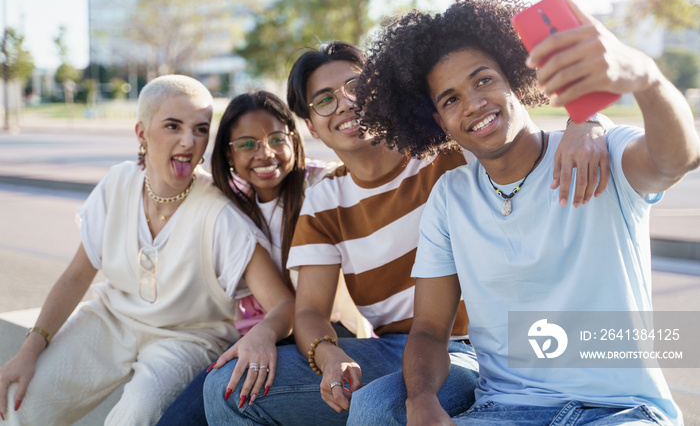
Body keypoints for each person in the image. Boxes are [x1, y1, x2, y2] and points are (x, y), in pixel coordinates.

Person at [204, 41, 612, 425]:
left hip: (475, 349)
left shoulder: (449, 154)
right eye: (324, 99)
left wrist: (588, 119)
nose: (344, 102)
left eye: (355, 86)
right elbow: (309, 310)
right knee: (227, 388)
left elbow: (521, 133)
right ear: (311, 125)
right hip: (390, 351)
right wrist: (329, 356)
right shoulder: (324, 200)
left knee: (377, 410)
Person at [357, 0, 699, 425]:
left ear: (515, 80)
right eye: (450, 99)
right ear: (440, 123)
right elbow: (428, 329)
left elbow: (677, 158)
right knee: (374, 412)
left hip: (621, 409)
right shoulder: (451, 196)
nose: (474, 103)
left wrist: (646, 78)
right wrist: (422, 398)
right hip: (505, 411)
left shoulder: (598, 150)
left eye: (483, 80)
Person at [0, 75, 294, 425]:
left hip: (189, 338)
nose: (189, 141)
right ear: (141, 133)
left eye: (200, 129)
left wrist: (262, 334)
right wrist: (30, 349)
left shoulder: (220, 214)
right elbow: (77, 275)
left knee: (136, 414)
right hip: (112, 320)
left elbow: (283, 304)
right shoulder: (117, 184)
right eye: (173, 126)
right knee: (20, 402)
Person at [158, 90, 366, 425]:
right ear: (228, 153)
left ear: (294, 140)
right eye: (246, 144)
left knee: (227, 393)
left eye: (275, 139)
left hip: (331, 334)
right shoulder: (230, 204)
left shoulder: (323, 184)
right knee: (182, 417)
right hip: (266, 333)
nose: (264, 153)